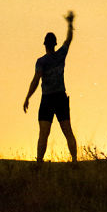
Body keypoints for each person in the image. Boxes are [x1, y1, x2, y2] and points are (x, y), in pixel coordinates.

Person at [23, 9, 78, 163]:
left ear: (45, 45)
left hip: (48, 99)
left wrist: (27, 97)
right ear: (54, 44)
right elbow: (68, 39)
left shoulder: (41, 61)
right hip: (59, 98)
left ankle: (39, 163)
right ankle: (74, 161)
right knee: (67, 131)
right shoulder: (61, 55)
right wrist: (70, 24)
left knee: (43, 134)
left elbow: (35, 81)